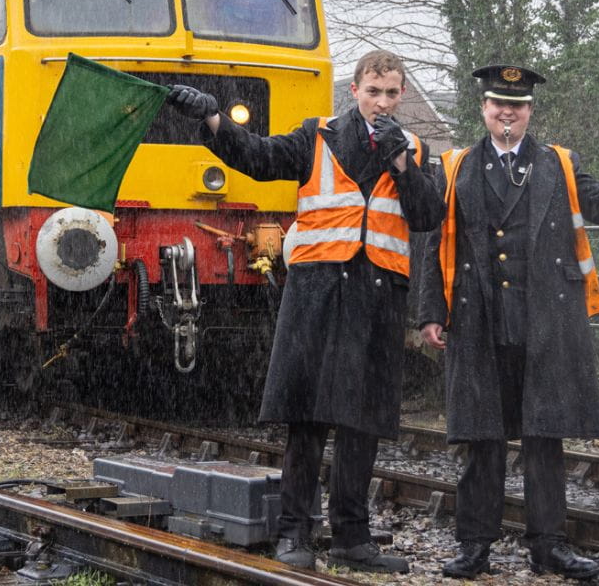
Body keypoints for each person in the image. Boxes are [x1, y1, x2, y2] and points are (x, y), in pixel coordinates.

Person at [165, 50, 443, 572]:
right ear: (354, 91)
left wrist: (402, 163)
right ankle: (294, 533)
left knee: (363, 423)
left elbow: (428, 215)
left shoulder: (414, 149)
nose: (381, 102)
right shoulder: (317, 136)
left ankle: (351, 539)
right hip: (317, 293)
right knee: (307, 420)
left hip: (379, 296)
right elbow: (258, 156)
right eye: (372, 91)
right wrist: (212, 118)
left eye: (390, 93)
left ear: (401, 95)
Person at [414, 65, 599, 580]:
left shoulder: (560, 163)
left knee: (544, 438)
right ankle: (474, 546)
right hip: (478, 317)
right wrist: (429, 312)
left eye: (517, 105)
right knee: (481, 439)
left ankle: (549, 546)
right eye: (498, 104)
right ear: (484, 110)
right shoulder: (454, 166)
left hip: (546, 321)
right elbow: (434, 242)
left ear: (530, 111)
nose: (507, 112)